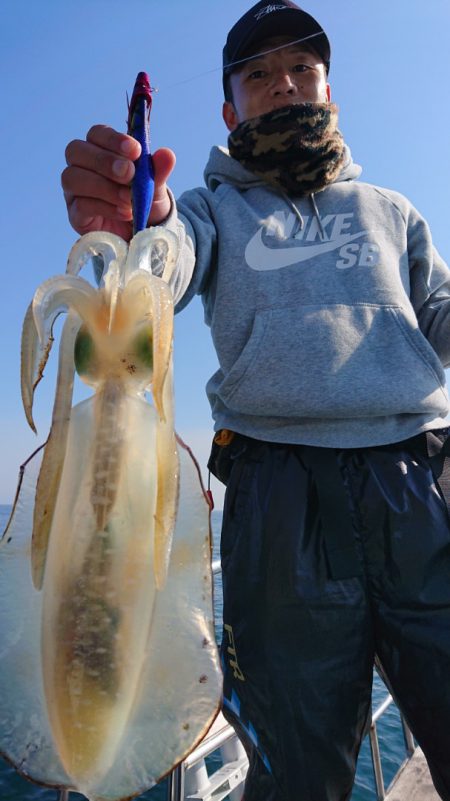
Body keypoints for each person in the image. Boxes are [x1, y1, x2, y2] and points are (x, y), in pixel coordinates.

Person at [62, 3, 450, 800]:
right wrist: (138, 224)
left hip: (419, 483)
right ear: (229, 104)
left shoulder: (392, 209)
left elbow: (440, 313)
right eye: (260, 73)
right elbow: (164, 261)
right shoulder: (211, 209)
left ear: (330, 91)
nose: (284, 84)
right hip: (279, 500)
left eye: (302, 69)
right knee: (295, 775)